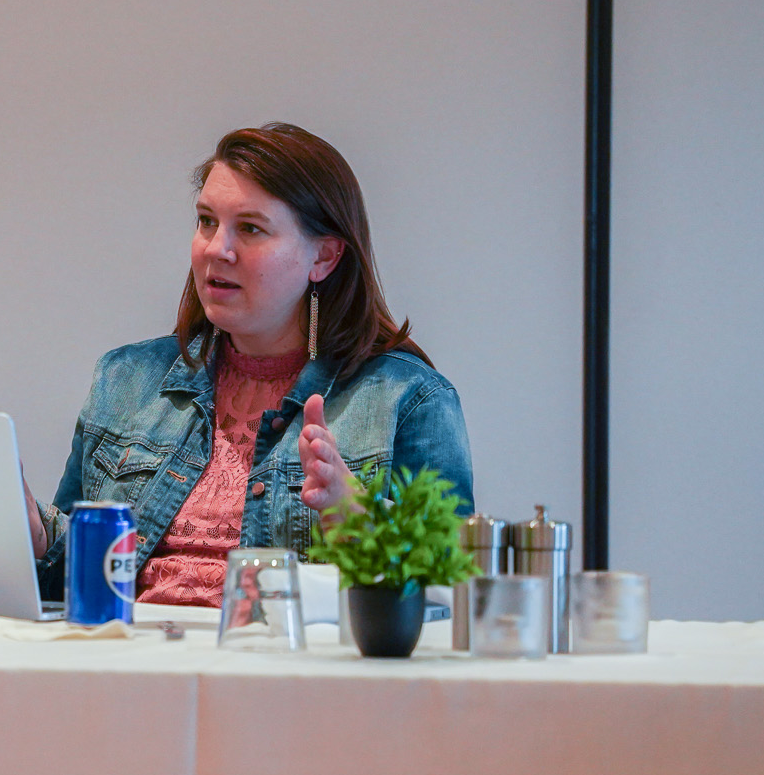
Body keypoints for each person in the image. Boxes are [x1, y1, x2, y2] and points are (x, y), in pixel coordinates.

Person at [28, 122, 472, 605]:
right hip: (131, 664)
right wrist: (29, 532)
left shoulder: (406, 399)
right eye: (206, 221)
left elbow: (452, 594)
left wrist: (364, 525)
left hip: (281, 671)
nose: (217, 249)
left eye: (251, 228)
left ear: (323, 257)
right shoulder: (126, 379)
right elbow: (65, 585)